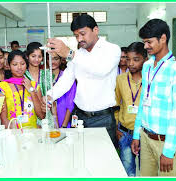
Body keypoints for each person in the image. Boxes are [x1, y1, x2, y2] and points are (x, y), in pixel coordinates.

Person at [46, 14, 121, 144]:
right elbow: (66, 80)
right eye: (76, 36)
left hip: (102, 118)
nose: (79, 39)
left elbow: (100, 70)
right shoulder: (79, 54)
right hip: (79, 117)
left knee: (103, 159)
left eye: (82, 34)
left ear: (95, 30)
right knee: (81, 156)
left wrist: (70, 54)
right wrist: (50, 96)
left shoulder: (112, 49)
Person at [131, 19, 176, 176]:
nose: (145, 46)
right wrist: (137, 135)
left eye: (149, 42)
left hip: (165, 142)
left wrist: (169, 151)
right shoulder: (147, 66)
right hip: (146, 137)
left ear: (163, 39)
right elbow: (143, 101)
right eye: (144, 42)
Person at [115, 42, 147, 176]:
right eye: (128, 59)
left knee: (146, 171)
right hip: (125, 132)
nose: (131, 63)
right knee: (128, 172)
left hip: (144, 134)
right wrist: (117, 127)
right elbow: (116, 104)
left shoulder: (149, 79)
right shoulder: (120, 79)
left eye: (136, 59)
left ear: (145, 59)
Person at [0, 50, 45, 128]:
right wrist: (15, 134)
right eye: (15, 64)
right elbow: (3, 118)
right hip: (13, 133)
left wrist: (31, 91)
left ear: (26, 65)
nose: (19, 67)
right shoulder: (1, 87)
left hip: (32, 132)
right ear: (9, 66)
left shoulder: (34, 85)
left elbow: (41, 115)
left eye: (22, 64)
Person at [48, 52, 76, 128]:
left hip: (64, 118)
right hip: (48, 120)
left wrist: (64, 125)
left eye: (56, 59)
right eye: (50, 59)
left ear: (61, 60)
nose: (52, 62)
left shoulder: (67, 77)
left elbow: (70, 104)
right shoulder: (44, 77)